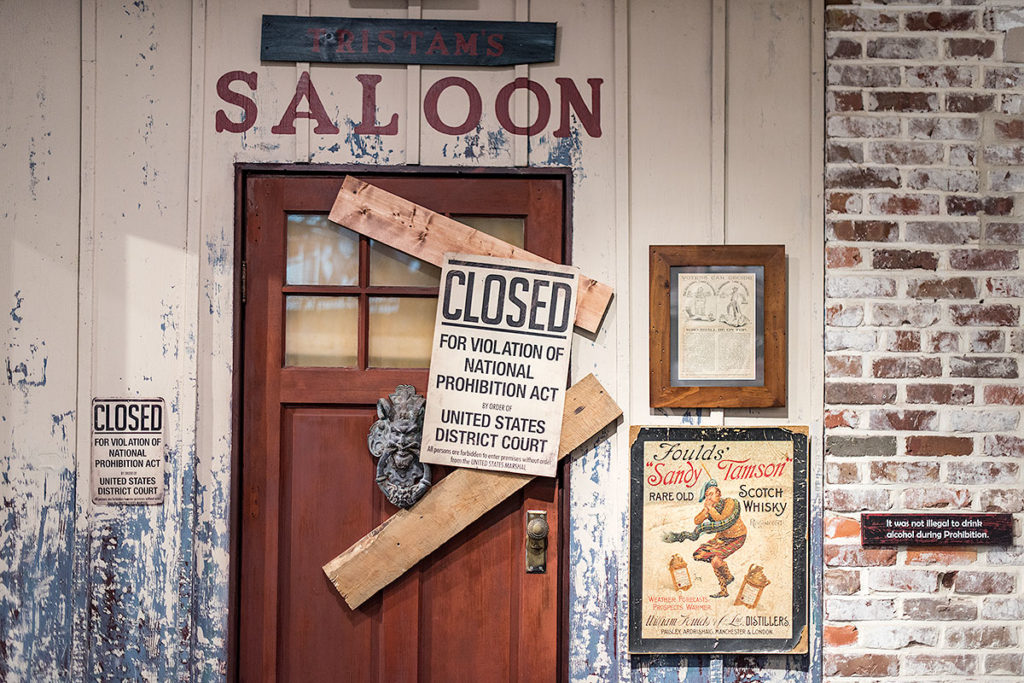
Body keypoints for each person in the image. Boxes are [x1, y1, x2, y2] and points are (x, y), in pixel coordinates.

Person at [663, 479, 747, 598]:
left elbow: (721, 520)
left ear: (719, 494)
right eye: (707, 495)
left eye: (711, 494)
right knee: (699, 554)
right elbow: (696, 521)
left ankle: (726, 581)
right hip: (721, 538)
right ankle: (725, 586)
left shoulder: (730, 503)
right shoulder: (710, 506)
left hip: (737, 537)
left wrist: (710, 509)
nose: (709, 498)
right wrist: (705, 511)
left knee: (716, 560)